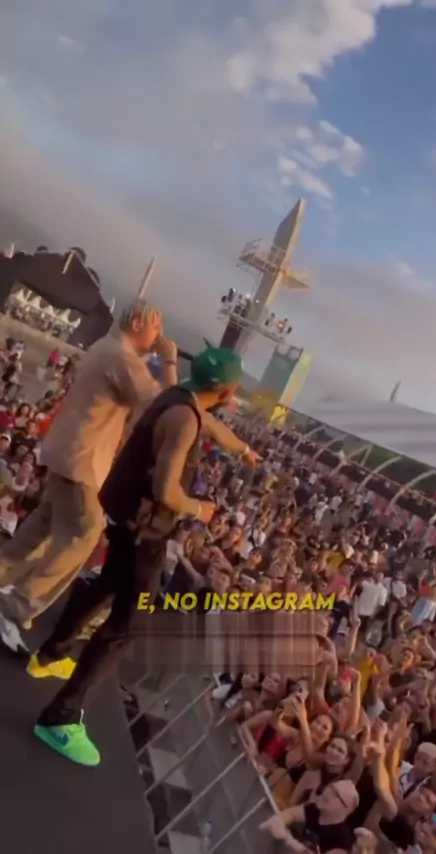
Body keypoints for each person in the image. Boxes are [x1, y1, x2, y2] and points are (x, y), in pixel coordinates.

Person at [31, 345, 259, 766]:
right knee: (126, 627)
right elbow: (166, 490)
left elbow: (211, 426)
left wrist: (243, 450)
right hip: (145, 530)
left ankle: (50, 654)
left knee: (106, 585)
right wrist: (199, 509)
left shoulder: (176, 398)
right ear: (227, 391)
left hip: (124, 515)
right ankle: (61, 717)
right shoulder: (184, 421)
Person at [0, 300, 176, 641]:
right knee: (85, 531)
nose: (160, 335)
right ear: (137, 324)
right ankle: (17, 605)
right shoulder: (121, 357)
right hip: (81, 461)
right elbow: (164, 405)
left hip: (65, 453)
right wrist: (169, 360)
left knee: (41, 529)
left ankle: (6, 579)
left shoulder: (106, 347)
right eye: (156, 326)